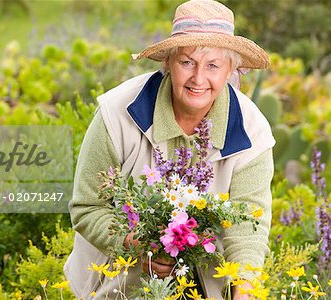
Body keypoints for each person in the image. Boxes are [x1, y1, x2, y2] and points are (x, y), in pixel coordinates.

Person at [64, 0, 275, 299]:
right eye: (187, 62)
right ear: (168, 63)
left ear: (230, 69)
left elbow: (248, 227)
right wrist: (138, 244)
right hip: (119, 285)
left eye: (213, 65)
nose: (199, 79)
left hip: (207, 286)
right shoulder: (117, 112)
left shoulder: (252, 131)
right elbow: (87, 207)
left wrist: (245, 290)